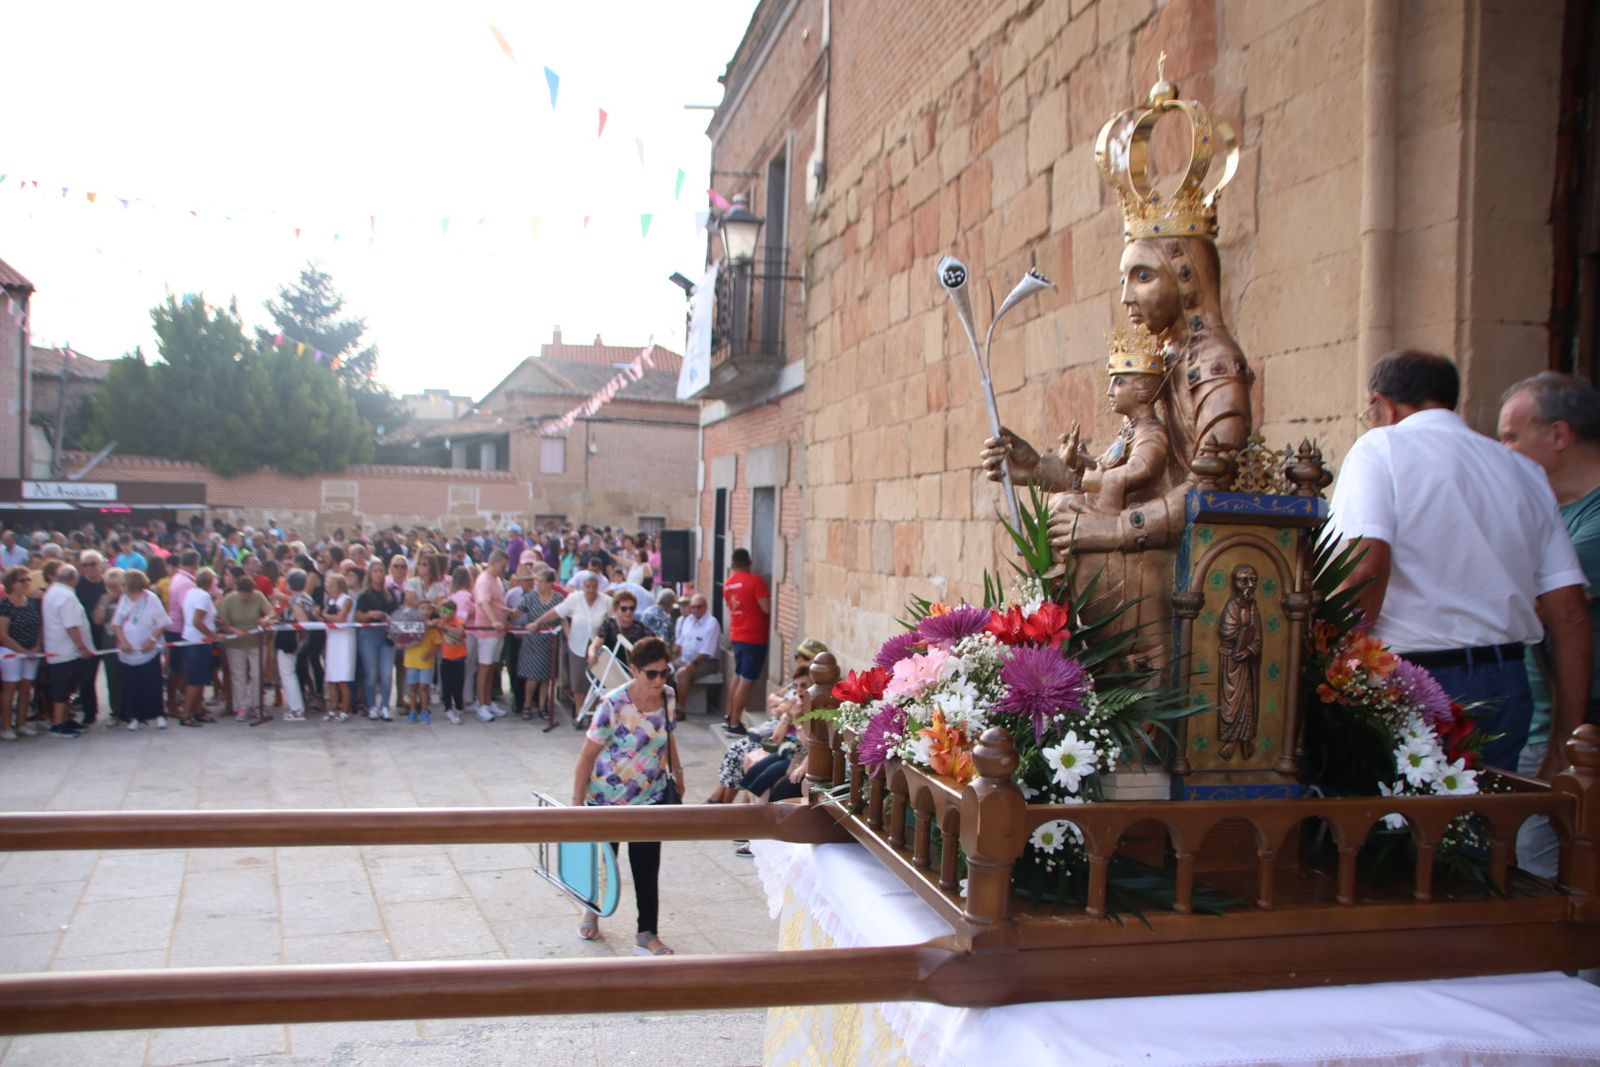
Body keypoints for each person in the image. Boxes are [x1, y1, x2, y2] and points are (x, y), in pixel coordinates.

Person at [1330, 351, 1591, 771]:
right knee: (1486, 826)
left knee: (1399, 828)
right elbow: (1571, 615)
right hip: (1506, 679)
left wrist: (1336, 665)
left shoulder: (1380, 446)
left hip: (1412, 680)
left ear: (1384, 404)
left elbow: (1364, 567)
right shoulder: (1523, 470)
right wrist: (1567, 735)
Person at [1497, 372, 1600, 878]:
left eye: (1512, 436)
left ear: (1559, 435)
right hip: (1546, 723)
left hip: (1577, 731)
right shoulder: (1558, 514)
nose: (1502, 450)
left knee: (1547, 882)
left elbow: (1556, 608)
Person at [570, 635, 684, 956]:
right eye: (652, 674)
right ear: (634, 670)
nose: (659, 680)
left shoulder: (668, 697)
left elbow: (669, 736)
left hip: (651, 797)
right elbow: (587, 754)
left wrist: (680, 773)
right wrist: (576, 805)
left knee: (647, 867)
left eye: (665, 673)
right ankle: (591, 909)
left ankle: (647, 933)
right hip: (607, 798)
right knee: (604, 863)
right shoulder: (613, 704)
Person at [711, 638, 826, 804]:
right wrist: (787, 714)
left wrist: (793, 717)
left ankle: (728, 808)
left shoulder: (820, 708)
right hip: (784, 747)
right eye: (797, 655)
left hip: (796, 755)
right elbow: (775, 720)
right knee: (750, 772)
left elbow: (812, 746)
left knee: (760, 776)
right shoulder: (796, 694)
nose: (800, 690)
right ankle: (728, 808)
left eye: (804, 686)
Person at [529, 572, 612, 716]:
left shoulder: (607, 601)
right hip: (578, 645)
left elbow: (615, 619)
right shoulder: (574, 599)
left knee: (597, 682)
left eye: (594, 587)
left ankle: (594, 714)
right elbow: (556, 612)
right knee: (578, 682)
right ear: (583, 587)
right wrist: (537, 622)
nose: (591, 590)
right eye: (588, 587)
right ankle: (580, 713)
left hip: (599, 647)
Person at [721, 548, 770, 735]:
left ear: (732, 565)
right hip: (754, 637)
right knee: (747, 680)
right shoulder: (755, 581)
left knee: (738, 675)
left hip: (737, 635)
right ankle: (735, 722)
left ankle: (728, 715)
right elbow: (766, 608)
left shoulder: (728, 584)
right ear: (749, 563)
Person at [110, 569, 166, 731]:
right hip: (128, 651)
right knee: (131, 684)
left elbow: (161, 623)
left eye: (124, 584)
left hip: (148, 650)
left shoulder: (151, 599)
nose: (122, 587)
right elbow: (116, 623)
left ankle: (159, 714)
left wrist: (152, 640)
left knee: (152, 683)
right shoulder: (124, 600)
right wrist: (123, 642)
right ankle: (135, 716)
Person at [218, 566, 276, 723]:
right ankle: (242, 707)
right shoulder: (228, 600)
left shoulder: (258, 596)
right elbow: (222, 621)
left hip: (256, 641)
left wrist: (266, 619)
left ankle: (257, 705)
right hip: (236, 644)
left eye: (249, 595)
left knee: (257, 674)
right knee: (239, 676)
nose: (247, 598)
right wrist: (232, 629)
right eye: (244, 595)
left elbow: (271, 611)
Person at [514, 565, 565, 729]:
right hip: (533, 642)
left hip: (550, 641)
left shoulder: (558, 598)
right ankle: (527, 704)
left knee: (546, 677)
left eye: (541, 581)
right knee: (532, 676)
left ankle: (543, 706)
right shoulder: (531, 597)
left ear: (550, 583)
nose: (537, 584)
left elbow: (563, 617)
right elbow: (517, 611)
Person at [0, 567, 42, 740]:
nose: (26, 583)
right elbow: (2, 633)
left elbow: (39, 626)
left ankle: (22, 723)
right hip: (11, 651)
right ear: (12, 584)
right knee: (10, 688)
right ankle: (7, 725)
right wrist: (21, 651)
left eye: (28, 579)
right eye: (21, 580)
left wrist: (37, 646)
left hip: (32, 651)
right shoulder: (5, 604)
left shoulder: (32, 602)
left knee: (26, 689)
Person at [355, 560, 399, 722]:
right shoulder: (364, 595)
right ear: (370, 574)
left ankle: (385, 706)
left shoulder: (390, 594)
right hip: (369, 635)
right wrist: (371, 615)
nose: (379, 574)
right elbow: (358, 616)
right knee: (371, 672)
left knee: (386, 674)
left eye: (381, 571)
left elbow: (396, 615)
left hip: (387, 636)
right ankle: (372, 705)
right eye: (375, 571)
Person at [179, 567, 222, 728]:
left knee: (199, 678)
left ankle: (197, 710)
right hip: (199, 642)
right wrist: (213, 635)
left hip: (191, 639)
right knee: (195, 680)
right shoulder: (204, 596)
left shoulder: (191, 593)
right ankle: (186, 714)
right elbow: (198, 621)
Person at [473, 549, 510, 721]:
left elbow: (496, 602)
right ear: (494, 563)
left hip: (498, 631)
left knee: (492, 668)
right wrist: (494, 620)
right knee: (485, 668)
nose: (505, 570)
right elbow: (484, 602)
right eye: (503, 566)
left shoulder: (496, 580)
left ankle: (488, 702)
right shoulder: (484, 581)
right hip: (487, 632)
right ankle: (481, 704)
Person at [672, 594, 721, 716]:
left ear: (705, 607)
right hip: (685, 658)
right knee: (664, 668)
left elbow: (706, 652)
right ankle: (666, 705)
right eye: (693, 607)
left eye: (699, 607)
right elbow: (679, 643)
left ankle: (680, 709)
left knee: (683, 673)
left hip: (706, 662)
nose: (695, 610)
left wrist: (691, 664)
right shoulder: (688, 620)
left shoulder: (712, 623)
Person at [277, 569, 316, 722]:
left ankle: (297, 709)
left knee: (287, 673)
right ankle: (299, 706)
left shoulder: (296, 601)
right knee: (293, 672)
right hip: (301, 642)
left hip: (292, 642)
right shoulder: (307, 598)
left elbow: (302, 622)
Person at [397, 589, 440, 724]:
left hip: (425, 662)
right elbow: (402, 640)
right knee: (413, 687)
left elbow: (437, 644)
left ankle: (424, 710)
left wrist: (428, 653)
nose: (425, 611)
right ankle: (412, 711)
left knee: (423, 687)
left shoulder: (433, 628)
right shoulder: (410, 625)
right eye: (422, 608)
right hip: (411, 661)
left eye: (428, 609)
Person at [165, 549, 200, 718]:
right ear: (195, 564)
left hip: (177, 628)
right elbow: (187, 608)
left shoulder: (178, 578)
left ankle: (180, 703)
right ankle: (176, 705)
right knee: (179, 670)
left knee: (179, 669)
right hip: (180, 630)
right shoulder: (185, 583)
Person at [587, 589, 652, 669]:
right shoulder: (609, 624)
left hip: (634, 674)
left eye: (632, 608)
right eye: (624, 609)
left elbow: (654, 644)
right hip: (613, 673)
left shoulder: (640, 627)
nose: (628, 612)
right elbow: (594, 645)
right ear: (615, 610)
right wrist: (591, 654)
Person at [323, 573, 356, 722]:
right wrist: (321, 615)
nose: (328, 588)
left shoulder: (347, 600)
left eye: (331, 585)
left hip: (344, 641)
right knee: (332, 678)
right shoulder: (330, 601)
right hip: (332, 640)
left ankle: (345, 710)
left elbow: (341, 618)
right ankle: (333, 708)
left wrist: (324, 615)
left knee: (343, 678)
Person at [437, 599, 469, 723]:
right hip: (446, 659)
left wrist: (445, 626)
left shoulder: (457, 621)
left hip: (459, 659)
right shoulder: (439, 622)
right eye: (441, 611)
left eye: (446, 611)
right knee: (446, 685)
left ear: (453, 612)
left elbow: (460, 631)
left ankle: (459, 706)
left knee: (458, 684)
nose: (443, 614)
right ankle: (448, 707)